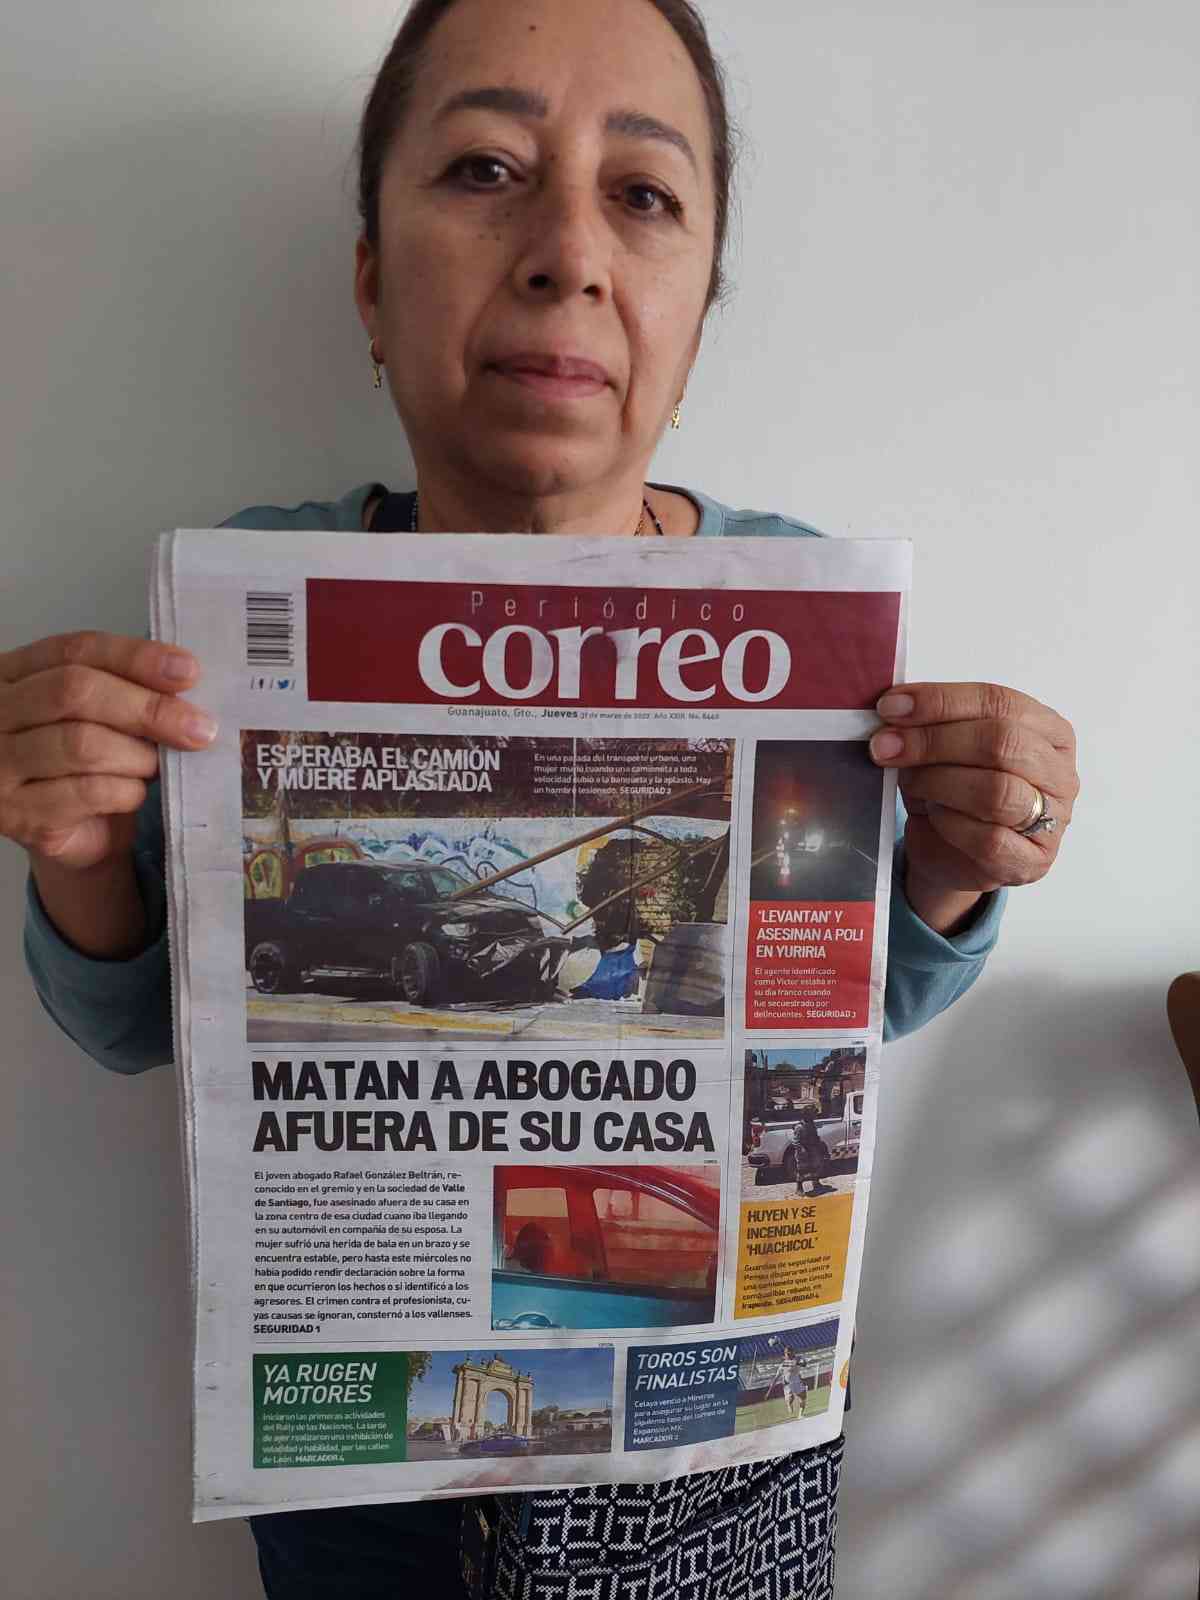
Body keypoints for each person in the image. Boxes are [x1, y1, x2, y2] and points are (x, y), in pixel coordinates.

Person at [7, 1, 1080, 1595]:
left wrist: (960, 865)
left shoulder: (808, 608)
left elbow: (860, 1015)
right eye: (484, 169)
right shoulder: (240, 609)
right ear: (371, 283)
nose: (566, 253)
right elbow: (133, 1026)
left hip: (714, 1466)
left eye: (641, 194)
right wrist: (82, 846)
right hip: (366, 1472)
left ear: (696, 312)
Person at [790, 1105, 836, 1198]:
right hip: (803, 1151)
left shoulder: (811, 1124)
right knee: (802, 1170)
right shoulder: (799, 1127)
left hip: (813, 1149)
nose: (815, 1116)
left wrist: (820, 1145)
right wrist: (802, 1150)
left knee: (815, 1166)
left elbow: (815, 1136)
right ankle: (799, 1188)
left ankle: (816, 1183)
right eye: (813, 1114)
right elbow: (795, 1142)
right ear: (807, 1115)